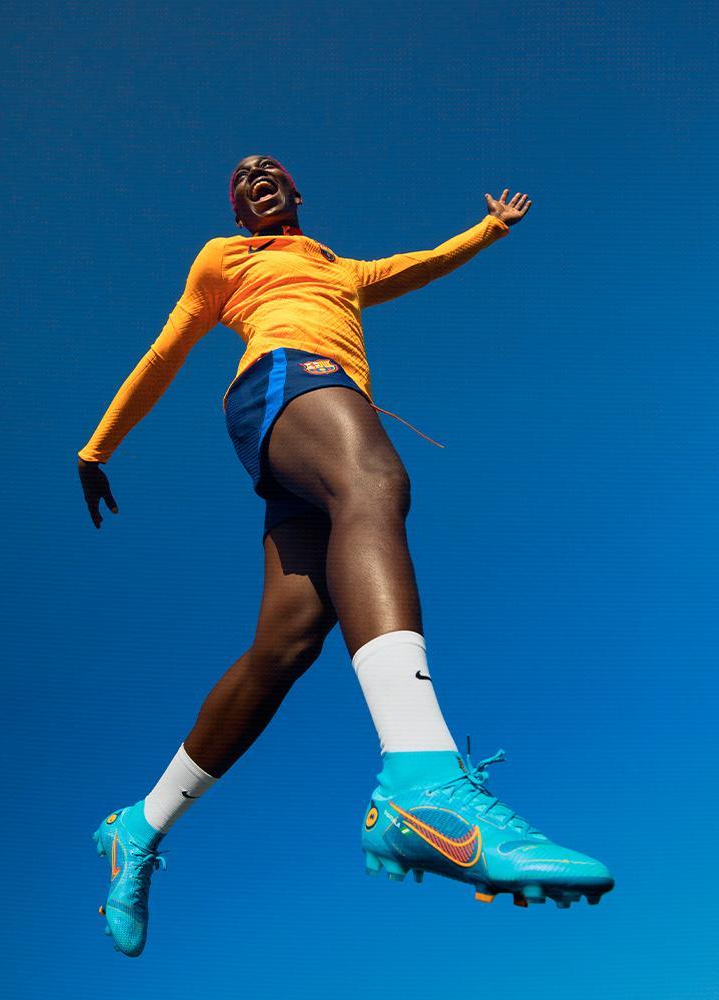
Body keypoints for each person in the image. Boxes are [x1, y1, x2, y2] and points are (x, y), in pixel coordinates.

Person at [80, 155, 613, 957]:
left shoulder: (339, 268)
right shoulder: (225, 259)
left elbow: (415, 266)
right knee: (375, 482)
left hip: (312, 416)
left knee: (286, 644)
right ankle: (422, 779)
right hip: (285, 384)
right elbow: (166, 350)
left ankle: (139, 825)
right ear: (239, 210)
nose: (255, 173)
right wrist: (98, 447)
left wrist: (488, 230)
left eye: (270, 169)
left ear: (295, 193)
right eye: (242, 177)